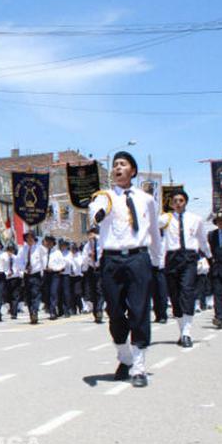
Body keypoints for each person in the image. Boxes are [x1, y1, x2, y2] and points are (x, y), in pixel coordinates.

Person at [88, 151, 162, 388]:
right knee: (115, 312)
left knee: (140, 310)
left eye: (123, 164)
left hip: (138, 258)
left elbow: (154, 232)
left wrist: (157, 261)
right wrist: (98, 214)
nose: (118, 168)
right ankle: (124, 356)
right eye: (115, 165)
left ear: (133, 170)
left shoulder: (146, 199)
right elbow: (96, 209)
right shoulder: (105, 196)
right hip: (111, 261)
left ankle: (139, 367)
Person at [162, 190, 211, 349]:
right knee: (175, 295)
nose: (178, 203)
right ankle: (181, 330)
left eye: (181, 200)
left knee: (187, 291)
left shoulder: (195, 219)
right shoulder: (166, 219)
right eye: (175, 200)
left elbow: (202, 239)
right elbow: (149, 225)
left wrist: (209, 257)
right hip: (172, 257)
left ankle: (187, 332)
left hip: (189, 257)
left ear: (185, 202)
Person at [16, 231, 45, 325]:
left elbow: (43, 261)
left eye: (31, 238)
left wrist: (42, 272)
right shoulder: (22, 249)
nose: (29, 240)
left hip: (36, 274)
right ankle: (31, 312)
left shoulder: (39, 249)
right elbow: (19, 262)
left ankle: (35, 311)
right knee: (28, 295)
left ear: (34, 239)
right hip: (27, 275)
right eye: (27, 238)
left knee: (35, 294)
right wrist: (24, 268)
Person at [82, 227, 104, 323]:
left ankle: (99, 310)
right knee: (93, 292)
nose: (90, 236)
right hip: (91, 269)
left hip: (100, 268)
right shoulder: (87, 246)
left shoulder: (101, 242)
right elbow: (83, 259)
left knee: (99, 290)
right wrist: (88, 256)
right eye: (89, 234)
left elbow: (103, 253)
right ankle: (96, 313)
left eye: (92, 234)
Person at [42, 235, 65, 320]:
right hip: (45, 274)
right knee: (46, 293)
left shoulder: (57, 252)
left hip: (54, 274)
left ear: (53, 243)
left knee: (53, 292)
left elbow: (62, 264)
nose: (48, 243)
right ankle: (50, 308)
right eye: (46, 241)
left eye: (50, 241)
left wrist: (54, 268)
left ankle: (52, 311)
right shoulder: (43, 252)